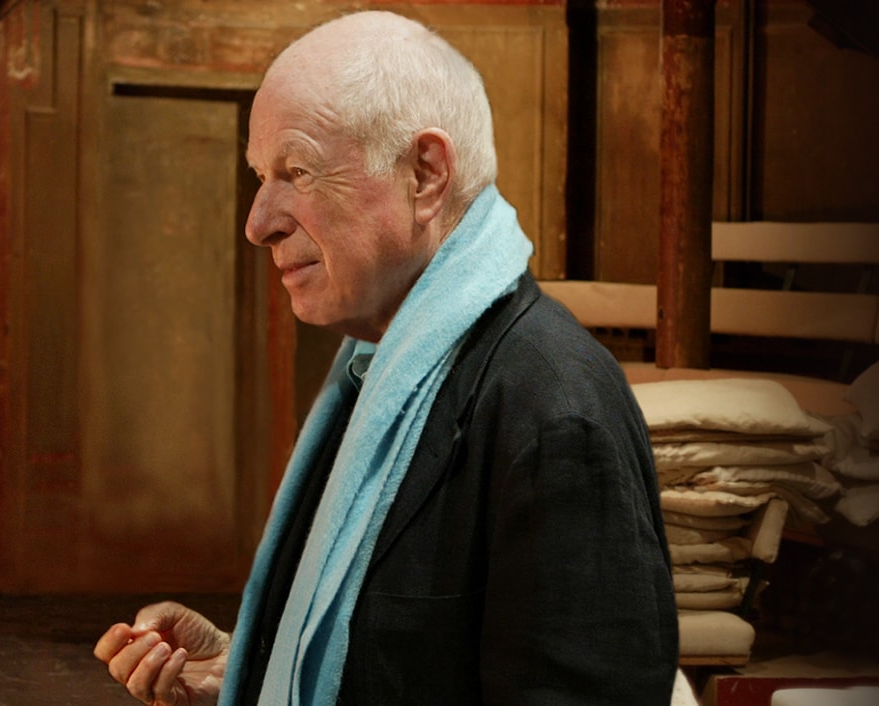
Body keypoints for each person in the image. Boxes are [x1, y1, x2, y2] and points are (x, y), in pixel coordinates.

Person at [93, 10, 677, 706]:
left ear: (425, 174)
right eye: (261, 175)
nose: (259, 222)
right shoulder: (383, 371)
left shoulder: (553, 408)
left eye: (298, 171)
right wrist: (247, 666)